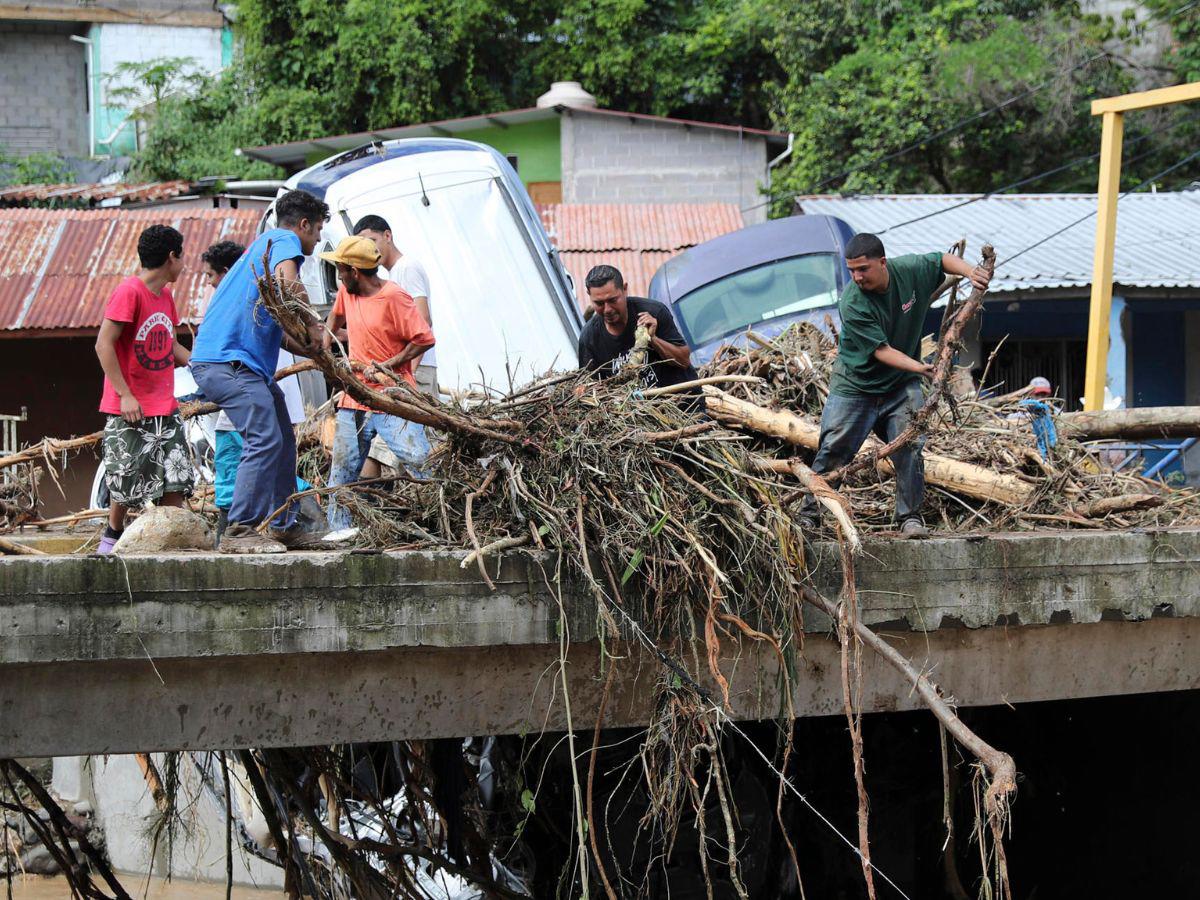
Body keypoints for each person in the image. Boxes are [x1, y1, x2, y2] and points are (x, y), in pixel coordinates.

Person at [802, 233, 991, 536]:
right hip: (856, 387)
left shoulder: (908, 270)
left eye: (863, 269)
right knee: (834, 450)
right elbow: (881, 351)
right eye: (851, 270)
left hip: (900, 386)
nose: (857, 277)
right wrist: (922, 367)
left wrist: (971, 272)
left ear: (883, 262)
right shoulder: (853, 301)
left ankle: (909, 518)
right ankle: (810, 515)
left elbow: (940, 259)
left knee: (911, 446)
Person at [190, 189, 330, 552]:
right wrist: (315, 323)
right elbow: (288, 285)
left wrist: (314, 350)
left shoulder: (260, 252)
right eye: (316, 232)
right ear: (302, 225)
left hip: (238, 365)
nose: (316, 241)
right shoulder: (282, 240)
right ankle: (240, 531)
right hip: (228, 363)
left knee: (281, 437)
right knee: (264, 437)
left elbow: (278, 331)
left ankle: (284, 523)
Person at [320, 236, 435, 530]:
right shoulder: (347, 293)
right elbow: (333, 320)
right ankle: (339, 531)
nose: (339, 276)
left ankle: (442, 517)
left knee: (420, 462)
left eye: (341, 270)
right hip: (354, 398)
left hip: (393, 398)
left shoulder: (395, 297)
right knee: (342, 470)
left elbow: (424, 339)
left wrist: (388, 365)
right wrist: (327, 355)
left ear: (354, 271)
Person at [94, 225, 193, 554]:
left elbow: (171, 346)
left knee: (175, 476)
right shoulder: (129, 292)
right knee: (125, 479)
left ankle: (170, 539)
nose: (184, 264)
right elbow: (103, 345)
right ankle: (112, 535)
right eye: (182, 256)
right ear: (171, 257)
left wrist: (199, 363)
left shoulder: (165, 295)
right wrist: (125, 395)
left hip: (165, 405)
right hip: (132, 404)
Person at [351, 214, 436, 477]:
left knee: (404, 452)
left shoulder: (406, 268)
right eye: (363, 244)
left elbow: (423, 321)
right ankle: (374, 511)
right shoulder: (389, 276)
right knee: (383, 451)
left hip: (412, 373)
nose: (370, 249)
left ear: (388, 235)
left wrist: (405, 374)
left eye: (373, 240)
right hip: (394, 375)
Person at [577, 264, 697, 388]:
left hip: (685, 403)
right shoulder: (589, 338)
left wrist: (654, 339)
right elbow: (588, 387)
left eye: (613, 300)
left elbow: (684, 361)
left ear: (624, 289)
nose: (607, 309)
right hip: (640, 406)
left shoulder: (654, 312)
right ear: (589, 295)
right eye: (599, 303)